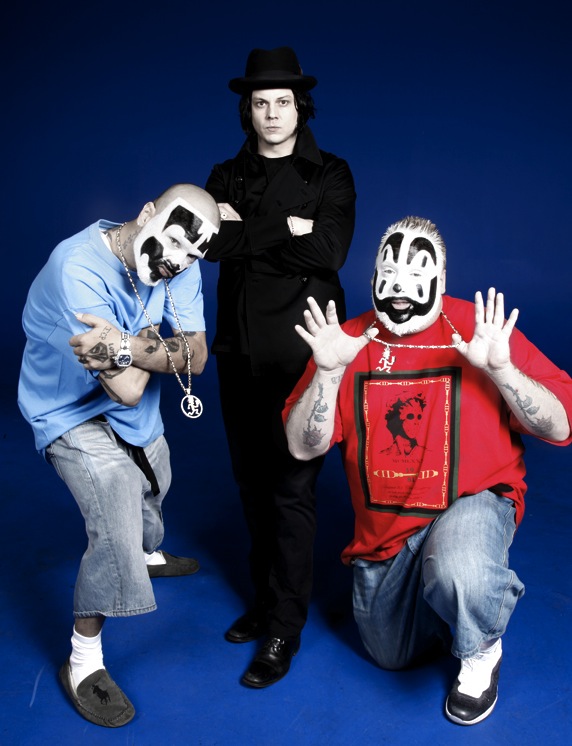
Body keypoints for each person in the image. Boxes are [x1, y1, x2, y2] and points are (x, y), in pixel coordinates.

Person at [284, 216, 572, 725]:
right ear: (373, 276)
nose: (400, 287)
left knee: (463, 571)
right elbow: (302, 448)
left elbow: (560, 424)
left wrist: (502, 370)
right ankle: (450, 595)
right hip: (387, 538)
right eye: (389, 272)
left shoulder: (477, 329)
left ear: (440, 279)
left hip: (470, 503)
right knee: (389, 655)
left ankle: (480, 645)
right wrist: (328, 373)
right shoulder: (346, 342)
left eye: (417, 274)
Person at [18, 183, 220, 727]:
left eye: (191, 255)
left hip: (129, 401)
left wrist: (127, 345)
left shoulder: (184, 262)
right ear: (147, 213)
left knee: (156, 480)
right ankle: (83, 660)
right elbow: (127, 388)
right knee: (117, 499)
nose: (177, 261)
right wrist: (159, 347)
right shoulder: (77, 269)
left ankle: (146, 552)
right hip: (66, 408)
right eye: (173, 241)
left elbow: (199, 355)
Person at [203, 46, 356, 687]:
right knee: (252, 485)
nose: (271, 113)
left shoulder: (331, 173)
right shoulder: (223, 175)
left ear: (301, 107)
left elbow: (330, 251)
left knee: (291, 491)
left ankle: (282, 630)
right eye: (261, 103)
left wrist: (252, 232)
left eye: (283, 102)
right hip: (239, 351)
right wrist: (288, 229)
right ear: (249, 109)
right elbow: (212, 242)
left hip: (303, 354)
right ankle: (266, 601)